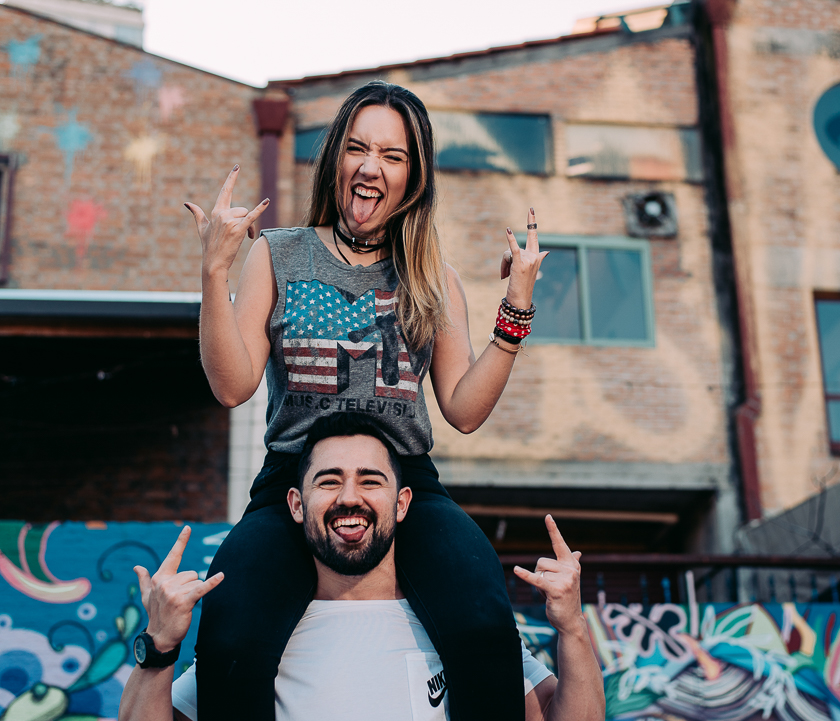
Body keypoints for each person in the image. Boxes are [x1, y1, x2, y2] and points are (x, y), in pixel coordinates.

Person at [186, 81, 548, 720]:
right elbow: (232, 385)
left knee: (485, 626)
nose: (371, 167)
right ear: (336, 160)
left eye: (393, 155)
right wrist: (215, 274)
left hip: (404, 482)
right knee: (231, 633)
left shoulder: (432, 274)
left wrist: (515, 308)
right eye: (358, 148)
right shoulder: (278, 254)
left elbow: (463, 409)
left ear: (414, 175)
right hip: (296, 481)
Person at [117, 414, 604, 721]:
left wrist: (573, 630)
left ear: (402, 503)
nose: (350, 497)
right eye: (329, 481)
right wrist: (159, 646)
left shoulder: (464, 628)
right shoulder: (254, 637)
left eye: (370, 480)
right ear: (295, 503)